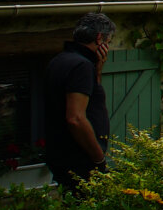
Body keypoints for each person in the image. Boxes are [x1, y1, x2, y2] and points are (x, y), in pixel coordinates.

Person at [43, 12, 115, 197]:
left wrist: (97, 70)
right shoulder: (81, 66)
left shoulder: (60, 60)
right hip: (79, 157)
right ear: (99, 39)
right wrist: (99, 159)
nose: (108, 46)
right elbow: (75, 118)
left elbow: (92, 98)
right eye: (109, 41)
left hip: (60, 153)